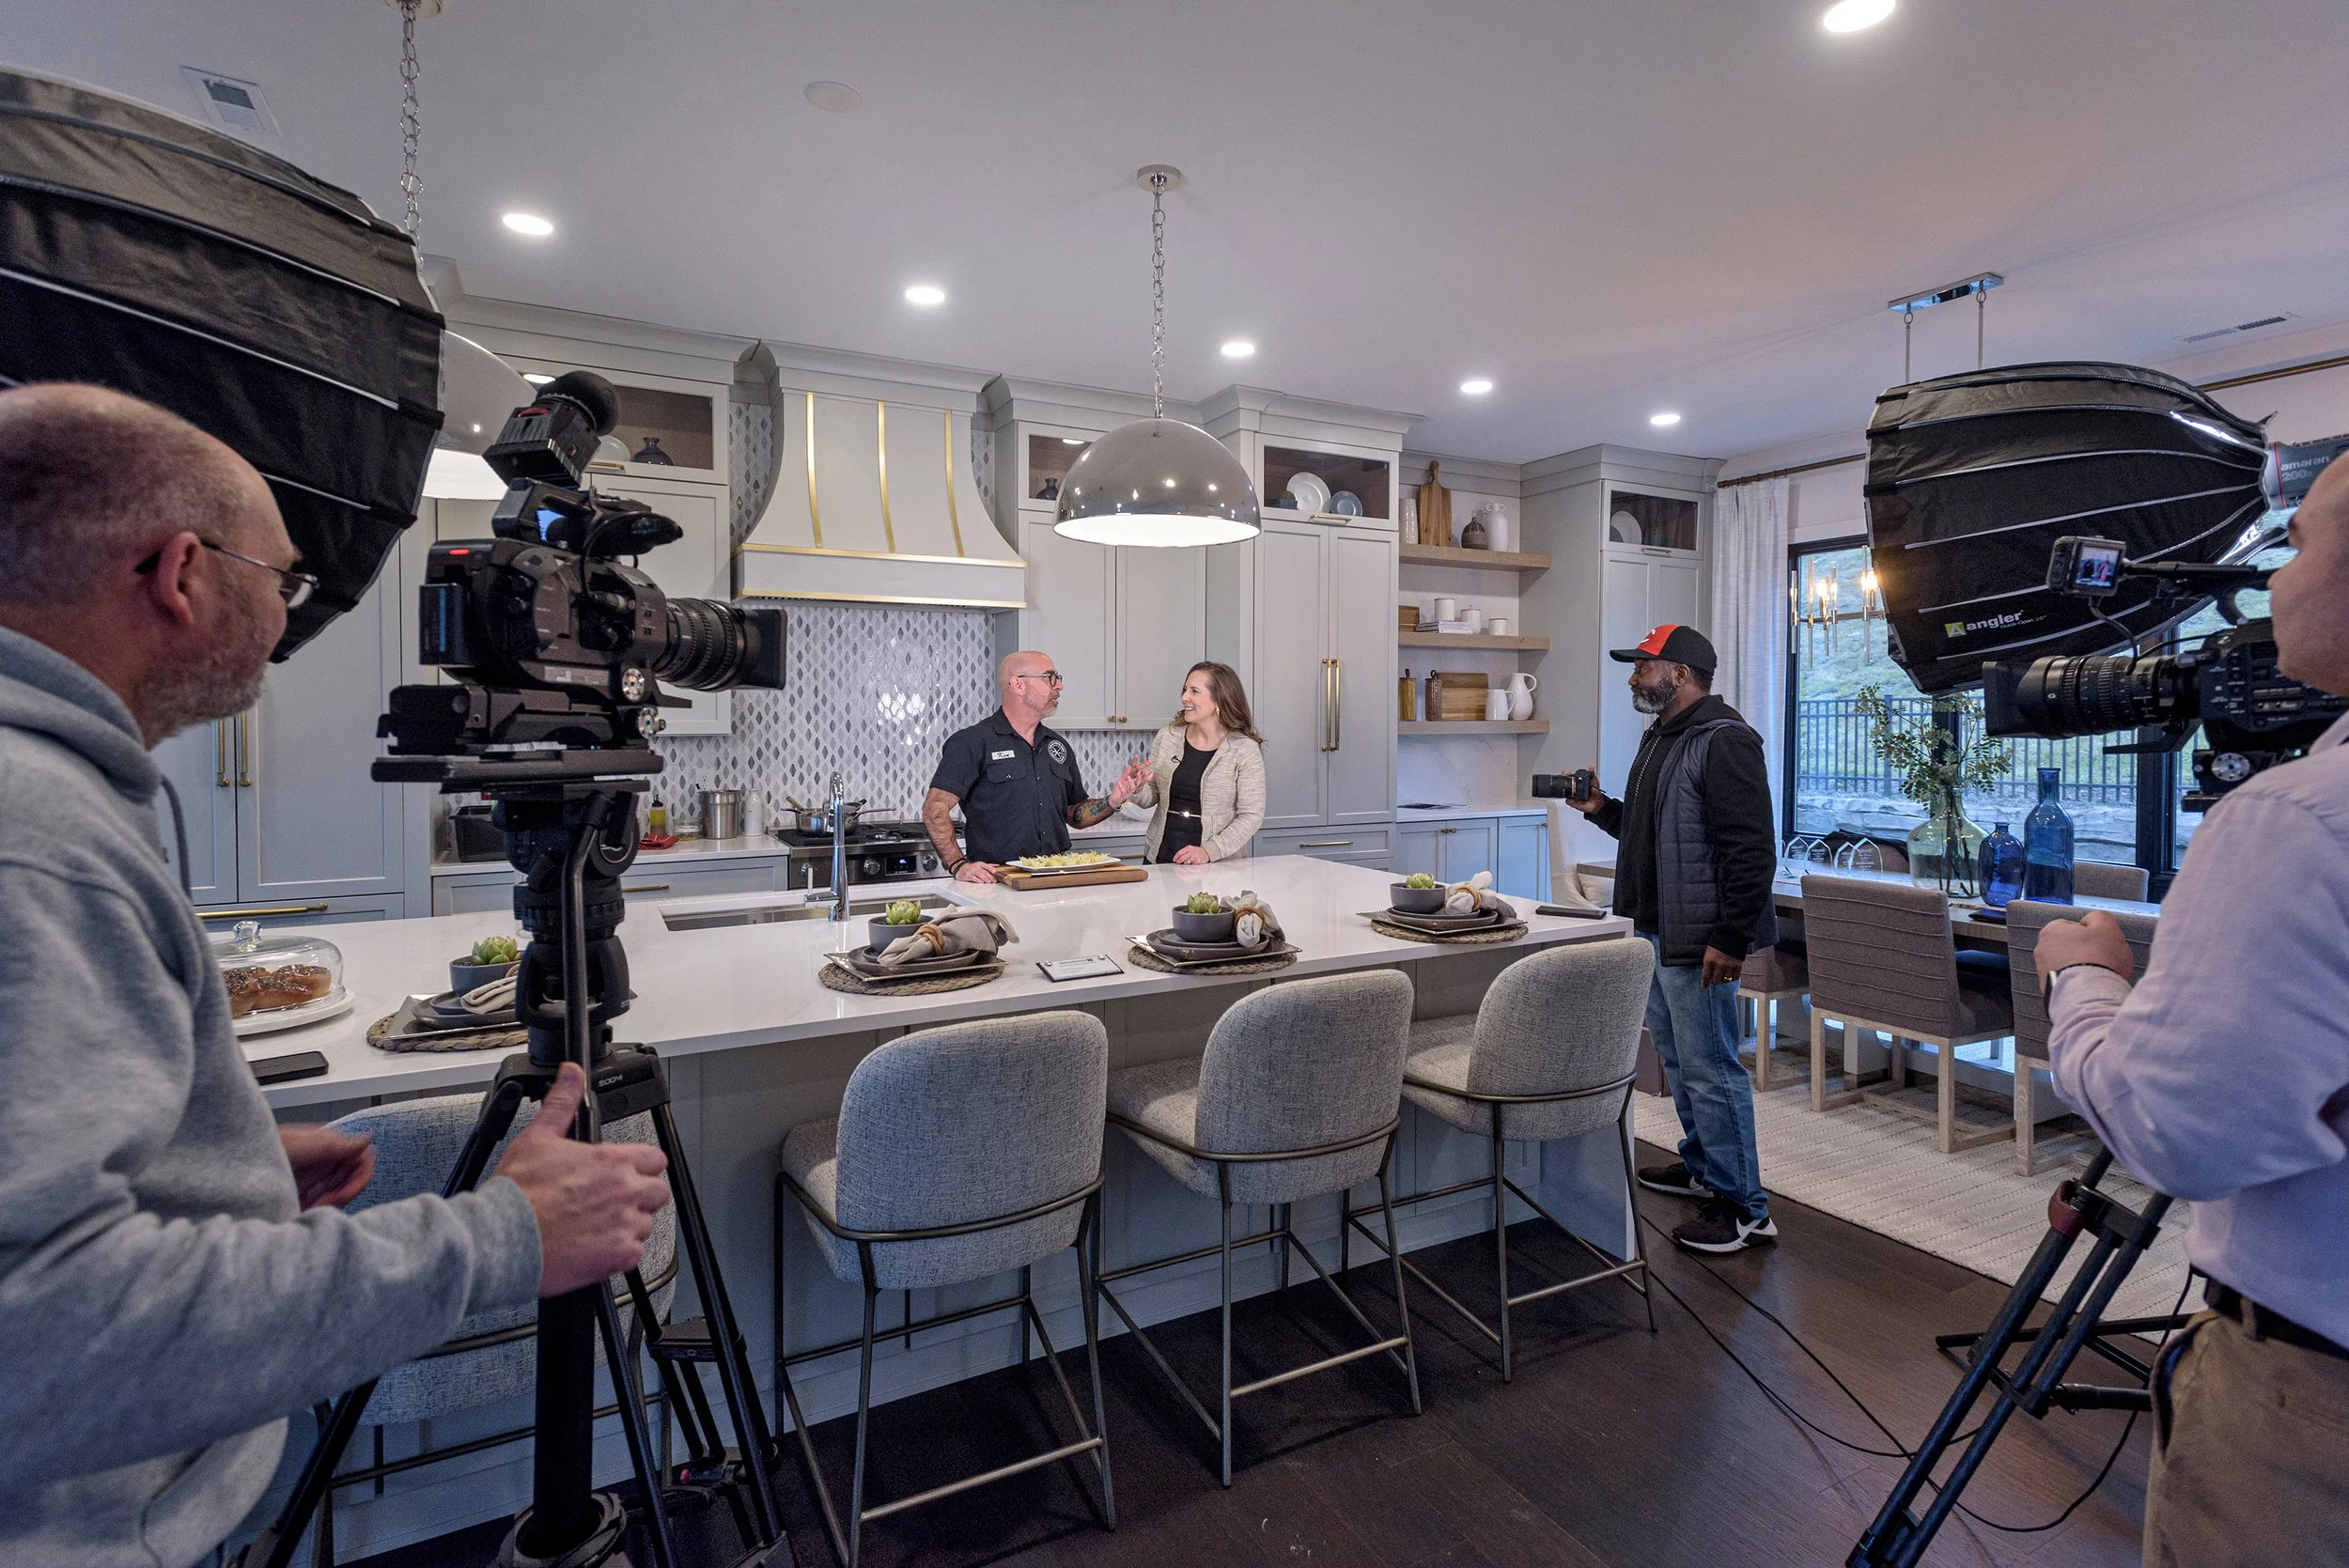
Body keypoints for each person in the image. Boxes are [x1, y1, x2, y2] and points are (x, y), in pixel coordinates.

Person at [0, 385, 674, 1568]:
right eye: (285, 582)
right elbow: (43, 1338)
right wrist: (500, 1236)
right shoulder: (33, 834)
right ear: (179, 574)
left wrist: (202, 1168)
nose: (285, 617)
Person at [2034, 452, 2349, 1568]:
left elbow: (2176, 1126)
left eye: (2300, 544)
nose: (2272, 585)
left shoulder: (2298, 819)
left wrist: (2085, 980)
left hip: (2305, 1401)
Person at [1564, 623, 1780, 1253]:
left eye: (1644, 666)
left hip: (1701, 938)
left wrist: (1731, 937)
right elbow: (1650, 833)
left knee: (1712, 1066)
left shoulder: (1727, 742)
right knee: (1682, 1061)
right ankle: (1703, 1164)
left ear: (1680, 673)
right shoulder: (1663, 739)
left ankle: (1744, 1207)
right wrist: (1602, 808)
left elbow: (1752, 850)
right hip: (1657, 928)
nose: (1634, 676)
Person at [925, 649, 1151, 883]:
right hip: (997, 880)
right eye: (1049, 677)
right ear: (1018, 685)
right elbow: (935, 809)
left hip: (1056, 877)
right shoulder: (971, 742)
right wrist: (958, 864)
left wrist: (1113, 800)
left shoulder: (1057, 747)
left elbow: (1075, 814)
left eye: (1057, 678)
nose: (1058, 686)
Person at [1129, 660, 1268, 864]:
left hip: (1217, 866)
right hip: (1161, 856)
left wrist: (1208, 852)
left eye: (1194, 691)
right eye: (1185, 689)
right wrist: (1138, 786)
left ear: (1219, 700)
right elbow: (1152, 796)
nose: (1185, 697)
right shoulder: (1168, 737)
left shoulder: (1244, 749)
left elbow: (1251, 817)